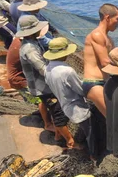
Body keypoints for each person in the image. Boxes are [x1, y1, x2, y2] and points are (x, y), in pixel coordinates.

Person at [18, 15, 76, 147]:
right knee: (58, 111)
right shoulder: (30, 49)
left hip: (42, 85)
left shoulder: (34, 41)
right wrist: (60, 78)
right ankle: (70, 141)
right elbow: (42, 69)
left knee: (50, 106)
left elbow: (47, 44)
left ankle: (56, 134)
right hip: (42, 86)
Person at [44, 38, 98, 156]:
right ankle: (93, 155)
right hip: (78, 108)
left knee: (84, 128)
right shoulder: (67, 71)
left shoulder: (47, 69)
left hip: (64, 105)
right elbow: (81, 90)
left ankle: (80, 142)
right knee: (90, 132)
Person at [83, 3, 118, 117]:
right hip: (94, 84)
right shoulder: (97, 35)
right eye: (117, 19)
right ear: (107, 17)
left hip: (105, 83)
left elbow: (116, 59)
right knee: (113, 118)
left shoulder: (109, 39)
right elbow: (105, 62)